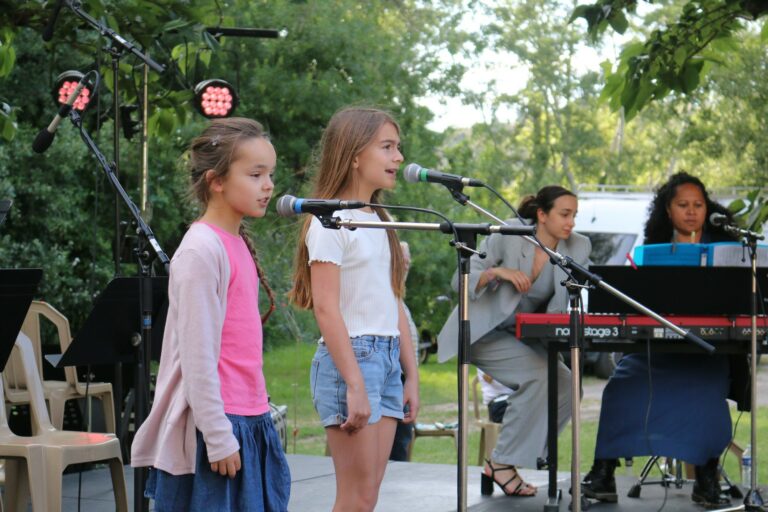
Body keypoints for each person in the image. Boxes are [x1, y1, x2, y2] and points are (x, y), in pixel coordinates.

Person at [131, 118, 290, 511]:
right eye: (255, 175)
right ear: (216, 181)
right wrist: (218, 435)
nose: (268, 185)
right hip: (216, 424)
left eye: (270, 174)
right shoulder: (201, 251)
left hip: (248, 416)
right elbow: (198, 358)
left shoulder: (234, 242)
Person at [581, 171, 747, 508]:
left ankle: (705, 477)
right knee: (622, 386)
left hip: (708, 352)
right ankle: (603, 473)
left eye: (698, 204)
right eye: (682, 204)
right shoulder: (648, 251)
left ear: (708, 208)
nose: (691, 211)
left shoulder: (731, 251)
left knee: (703, 397)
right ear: (667, 210)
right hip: (655, 349)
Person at [288, 107, 420, 511]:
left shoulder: (379, 217)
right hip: (353, 359)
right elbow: (326, 309)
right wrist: (355, 383)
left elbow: (392, 299)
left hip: (385, 357)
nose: (398, 157)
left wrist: (410, 373)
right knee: (355, 499)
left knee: (369, 497)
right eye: (387, 147)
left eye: (397, 147)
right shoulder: (329, 222)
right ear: (354, 154)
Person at [437, 186, 591, 497]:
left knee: (569, 385)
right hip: (482, 331)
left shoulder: (578, 246)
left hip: (527, 334)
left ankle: (521, 456)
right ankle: (503, 463)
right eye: (564, 214)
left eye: (574, 215)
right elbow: (460, 280)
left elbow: (565, 302)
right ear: (542, 215)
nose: (571, 222)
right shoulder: (506, 234)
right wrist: (496, 272)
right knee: (537, 375)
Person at [389, 242, 421, 462]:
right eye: (401, 260)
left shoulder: (399, 300)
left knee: (401, 443)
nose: (405, 265)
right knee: (396, 446)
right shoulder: (386, 297)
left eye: (408, 261)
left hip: (403, 381)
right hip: (391, 377)